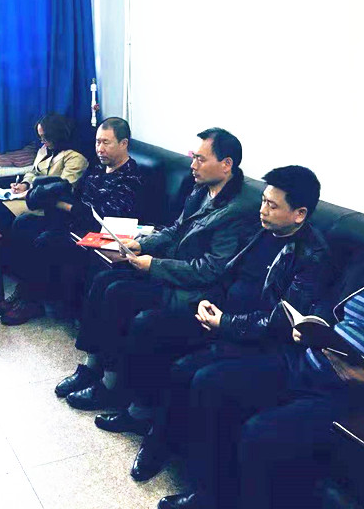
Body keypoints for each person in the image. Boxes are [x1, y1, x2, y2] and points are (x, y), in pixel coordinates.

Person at [159, 183, 364, 509]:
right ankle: (210, 496)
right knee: (211, 382)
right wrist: (310, 326)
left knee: (261, 433)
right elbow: (330, 303)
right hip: (307, 360)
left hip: (356, 395)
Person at [102, 166, 329, 482]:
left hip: (253, 338)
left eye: (272, 205)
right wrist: (209, 302)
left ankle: (159, 444)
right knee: (149, 325)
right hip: (220, 314)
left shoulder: (312, 255)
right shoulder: (262, 230)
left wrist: (226, 322)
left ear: (299, 214)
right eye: (263, 201)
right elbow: (228, 273)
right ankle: (138, 412)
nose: (262, 209)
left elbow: (281, 320)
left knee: (186, 370)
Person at [56, 128, 259, 410]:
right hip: (173, 270)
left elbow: (211, 270)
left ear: (226, 164)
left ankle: (110, 386)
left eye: (200, 159)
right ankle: (92, 367)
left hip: (196, 291)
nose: (192, 165)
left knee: (118, 294)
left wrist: (154, 265)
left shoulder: (238, 209)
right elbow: (176, 229)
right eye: (193, 157)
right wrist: (141, 244)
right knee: (104, 280)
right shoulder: (202, 189)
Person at [0, 117, 143, 325]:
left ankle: (32, 301)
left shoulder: (130, 177)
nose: (99, 149)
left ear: (123, 143)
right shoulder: (98, 168)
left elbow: (103, 215)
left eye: (106, 143)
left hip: (97, 233)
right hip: (75, 223)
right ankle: (24, 290)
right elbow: (77, 194)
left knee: (47, 240)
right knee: (24, 223)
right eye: (97, 142)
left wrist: (62, 205)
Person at [0, 113, 88, 239]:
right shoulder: (44, 149)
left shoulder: (75, 157)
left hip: (47, 203)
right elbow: (34, 171)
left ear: (56, 135)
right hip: (31, 194)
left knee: (1, 212)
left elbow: (63, 188)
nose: (42, 141)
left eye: (45, 137)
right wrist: (24, 184)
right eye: (40, 137)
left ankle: (6, 249)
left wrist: (29, 192)